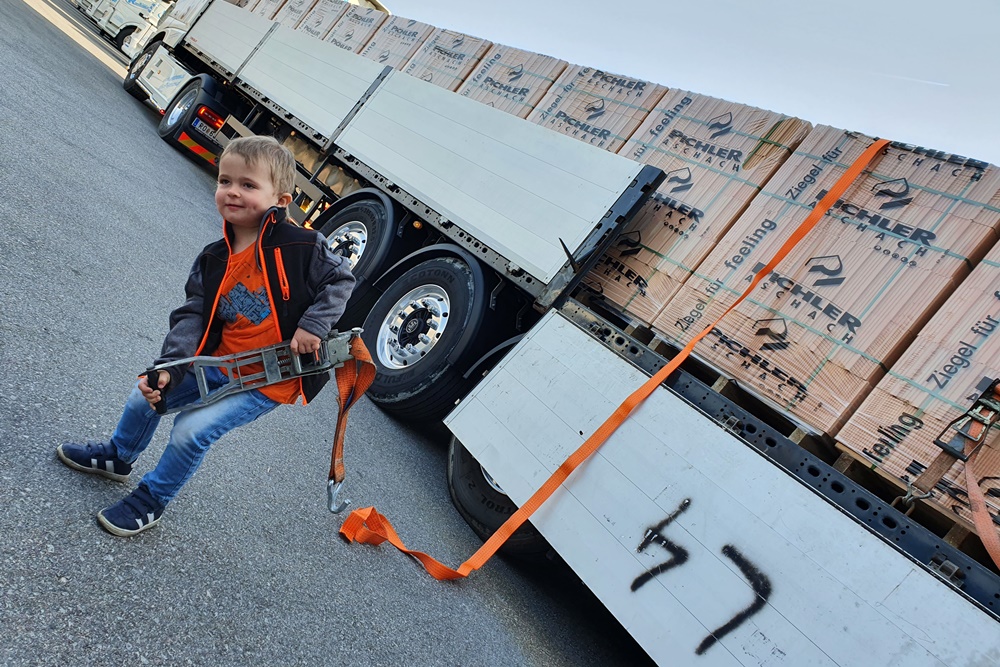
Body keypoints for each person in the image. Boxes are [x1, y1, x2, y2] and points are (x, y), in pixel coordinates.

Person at [56, 135, 355, 536]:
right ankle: (118, 455)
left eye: (248, 185)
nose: (232, 191)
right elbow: (193, 314)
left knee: (191, 430)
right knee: (146, 392)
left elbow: (340, 279)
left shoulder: (303, 245)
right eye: (225, 181)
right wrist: (170, 367)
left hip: (269, 379)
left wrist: (313, 325)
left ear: (281, 200)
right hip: (217, 361)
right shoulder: (214, 257)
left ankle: (152, 500)